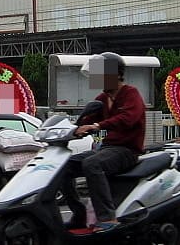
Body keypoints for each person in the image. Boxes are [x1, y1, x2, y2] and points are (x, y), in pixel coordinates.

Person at [61, 55, 146, 233]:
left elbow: (127, 119)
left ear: (116, 74)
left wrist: (98, 125)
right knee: (63, 166)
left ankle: (108, 219)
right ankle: (80, 214)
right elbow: (88, 118)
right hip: (107, 149)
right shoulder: (102, 97)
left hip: (126, 151)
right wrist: (71, 129)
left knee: (92, 164)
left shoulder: (131, 94)